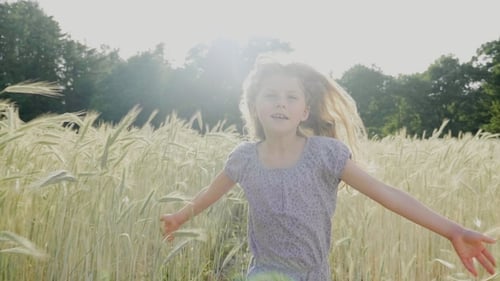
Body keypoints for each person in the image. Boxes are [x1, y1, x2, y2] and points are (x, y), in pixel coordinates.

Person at [160, 56, 497, 280]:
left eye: (291, 97)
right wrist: (180, 217)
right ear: (254, 106)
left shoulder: (325, 155)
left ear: (305, 111)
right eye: (271, 95)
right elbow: (210, 194)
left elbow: (387, 194)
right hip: (263, 273)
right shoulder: (244, 158)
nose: (281, 102)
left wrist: (452, 229)